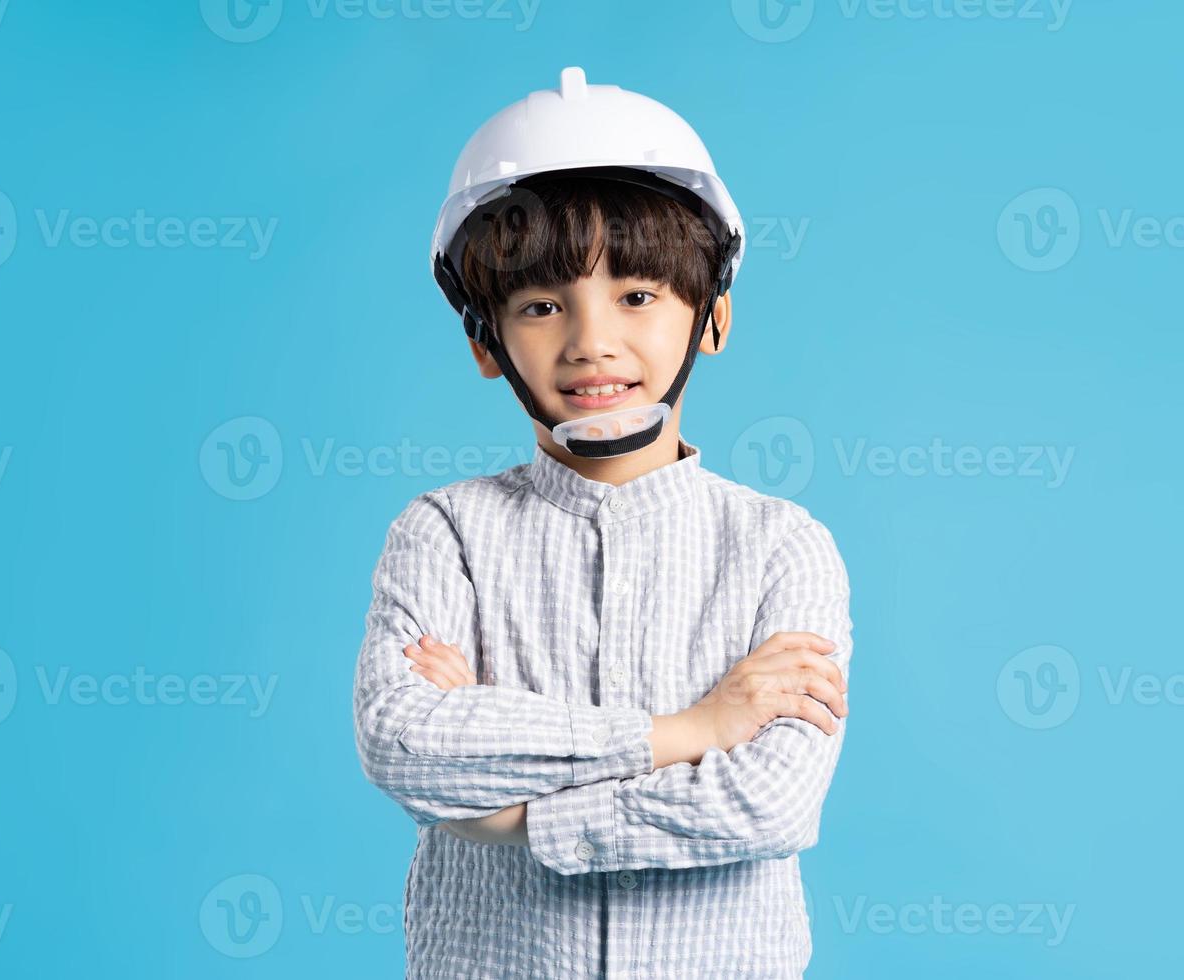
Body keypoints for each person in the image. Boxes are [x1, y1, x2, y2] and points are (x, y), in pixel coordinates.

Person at [354, 66, 854, 979]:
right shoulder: (441, 534)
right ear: (483, 343)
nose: (591, 341)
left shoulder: (785, 546)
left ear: (712, 319)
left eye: (637, 296)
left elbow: (773, 804)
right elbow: (406, 748)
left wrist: (510, 810)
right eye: (542, 306)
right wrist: (692, 731)